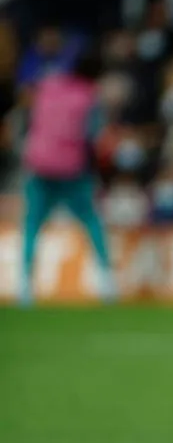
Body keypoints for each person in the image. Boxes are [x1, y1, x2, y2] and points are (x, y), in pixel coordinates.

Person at [19, 46, 115, 305]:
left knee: (32, 224)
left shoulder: (48, 85)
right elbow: (93, 134)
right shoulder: (89, 96)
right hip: (72, 169)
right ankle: (106, 281)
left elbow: (31, 117)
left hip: (39, 165)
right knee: (91, 220)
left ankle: (25, 285)